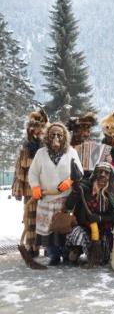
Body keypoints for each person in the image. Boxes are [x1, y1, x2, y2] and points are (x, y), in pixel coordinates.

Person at [28, 122, 83, 265]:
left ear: (64, 136)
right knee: (48, 230)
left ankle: (66, 254)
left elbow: (80, 172)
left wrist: (70, 181)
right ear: (47, 136)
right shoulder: (41, 153)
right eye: (53, 134)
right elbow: (33, 173)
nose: (56, 137)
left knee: (63, 227)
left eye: (59, 134)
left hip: (65, 199)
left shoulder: (71, 152)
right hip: (46, 198)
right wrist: (35, 187)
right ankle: (53, 255)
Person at [65, 162, 114, 266]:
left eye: (106, 173)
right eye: (100, 172)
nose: (103, 175)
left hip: (101, 232)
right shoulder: (85, 188)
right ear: (95, 174)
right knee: (77, 233)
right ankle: (76, 250)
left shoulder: (110, 195)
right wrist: (76, 191)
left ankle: (94, 255)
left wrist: (99, 218)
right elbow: (68, 205)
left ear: (110, 176)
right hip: (84, 227)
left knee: (102, 260)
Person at [12, 109, 48, 257]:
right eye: (35, 129)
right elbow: (19, 170)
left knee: (44, 218)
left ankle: (46, 246)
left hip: (45, 189)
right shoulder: (25, 148)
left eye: (40, 129)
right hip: (29, 189)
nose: (38, 132)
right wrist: (18, 188)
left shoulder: (47, 148)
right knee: (30, 218)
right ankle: (31, 246)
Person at [68, 112, 110, 178]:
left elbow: (97, 170)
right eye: (83, 129)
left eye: (88, 130)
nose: (86, 134)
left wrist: (105, 160)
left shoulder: (92, 146)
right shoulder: (67, 146)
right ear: (75, 131)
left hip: (87, 179)